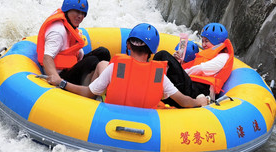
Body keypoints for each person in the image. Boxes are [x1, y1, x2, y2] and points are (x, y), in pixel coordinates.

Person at [61, 23, 209, 109]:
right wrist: (198, 101)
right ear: (153, 51)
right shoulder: (159, 76)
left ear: (128, 45)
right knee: (102, 64)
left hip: (109, 113)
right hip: (145, 118)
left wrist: (62, 83)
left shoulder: (116, 68)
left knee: (102, 64)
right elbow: (184, 101)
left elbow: (88, 92)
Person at [37, 0, 110, 86]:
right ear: (67, 10)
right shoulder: (58, 31)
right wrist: (57, 80)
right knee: (92, 60)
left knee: (103, 52)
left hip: (70, 66)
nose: (80, 16)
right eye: (77, 11)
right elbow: (47, 58)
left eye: (83, 13)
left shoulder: (70, 24)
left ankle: (104, 85)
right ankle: (89, 91)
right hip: (61, 74)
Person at [154, 22, 234, 106]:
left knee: (163, 55)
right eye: (202, 41)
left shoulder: (223, 57)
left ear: (216, 40)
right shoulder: (207, 55)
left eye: (206, 41)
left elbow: (202, 69)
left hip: (200, 92)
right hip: (191, 87)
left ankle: (154, 86)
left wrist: (179, 70)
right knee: (164, 61)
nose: (203, 44)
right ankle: (155, 87)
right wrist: (178, 63)